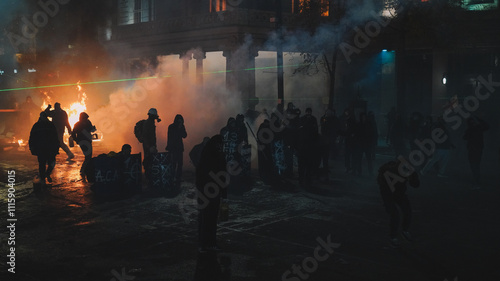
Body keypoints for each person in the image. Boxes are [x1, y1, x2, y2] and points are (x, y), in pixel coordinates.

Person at [377, 159, 420, 247]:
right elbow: (381, 183)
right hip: (387, 193)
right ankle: (393, 237)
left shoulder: (408, 170)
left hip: (399, 193)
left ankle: (404, 230)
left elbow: (416, 184)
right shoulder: (386, 169)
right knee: (395, 215)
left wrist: (412, 176)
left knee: (407, 211)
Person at [196, 135, 227, 253]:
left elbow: (224, 176)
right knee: (205, 219)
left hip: (214, 193)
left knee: (212, 219)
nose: (220, 147)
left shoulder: (218, 156)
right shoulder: (208, 157)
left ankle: (211, 243)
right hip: (207, 192)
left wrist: (224, 195)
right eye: (218, 145)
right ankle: (204, 244)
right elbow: (201, 176)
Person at [29, 112, 60, 185]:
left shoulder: (38, 125)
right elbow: (32, 137)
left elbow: (55, 137)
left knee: (46, 163)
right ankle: (43, 178)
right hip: (45, 148)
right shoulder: (48, 125)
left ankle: (45, 175)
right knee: (46, 163)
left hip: (44, 148)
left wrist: (32, 147)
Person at [463, 116, 489, 189]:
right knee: (475, 165)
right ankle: (476, 181)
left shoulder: (475, 128)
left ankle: (476, 181)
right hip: (476, 149)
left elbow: (465, 137)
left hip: (475, 149)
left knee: (474, 165)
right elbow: (465, 137)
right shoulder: (477, 128)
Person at [297, 108, 319, 188]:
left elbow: (315, 131)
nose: (309, 113)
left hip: (309, 146)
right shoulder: (303, 119)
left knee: (308, 164)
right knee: (302, 165)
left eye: (310, 112)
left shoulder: (313, 119)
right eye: (308, 112)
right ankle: (302, 179)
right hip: (304, 146)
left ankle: (306, 180)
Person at [71, 112, 96, 178]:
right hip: (83, 142)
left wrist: (93, 128)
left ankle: (84, 169)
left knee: (89, 156)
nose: (86, 119)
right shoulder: (78, 124)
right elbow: (73, 133)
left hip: (87, 141)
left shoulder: (87, 122)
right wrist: (77, 140)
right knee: (88, 156)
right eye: (85, 118)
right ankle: (83, 170)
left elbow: (91, 129)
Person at [166, 114, 187, 184]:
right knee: (173, 163)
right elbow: (171, 137)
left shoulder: (181, 126)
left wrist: (181, 128)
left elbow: (185, 135)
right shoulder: (171, 127)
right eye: (179, 120)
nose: (180, 121)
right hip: (173, 148)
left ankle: (178, 177)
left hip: (179, 148)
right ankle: (171, 177)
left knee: (180, 163)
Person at [142, 108, 161, 178]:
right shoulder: (148, 123)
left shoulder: (151, 122)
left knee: (151, 161)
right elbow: (145, 136)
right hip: (148, 147)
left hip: (151, 145)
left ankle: (150, 177)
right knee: (148, 161)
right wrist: (149, 147)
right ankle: (148, 178)